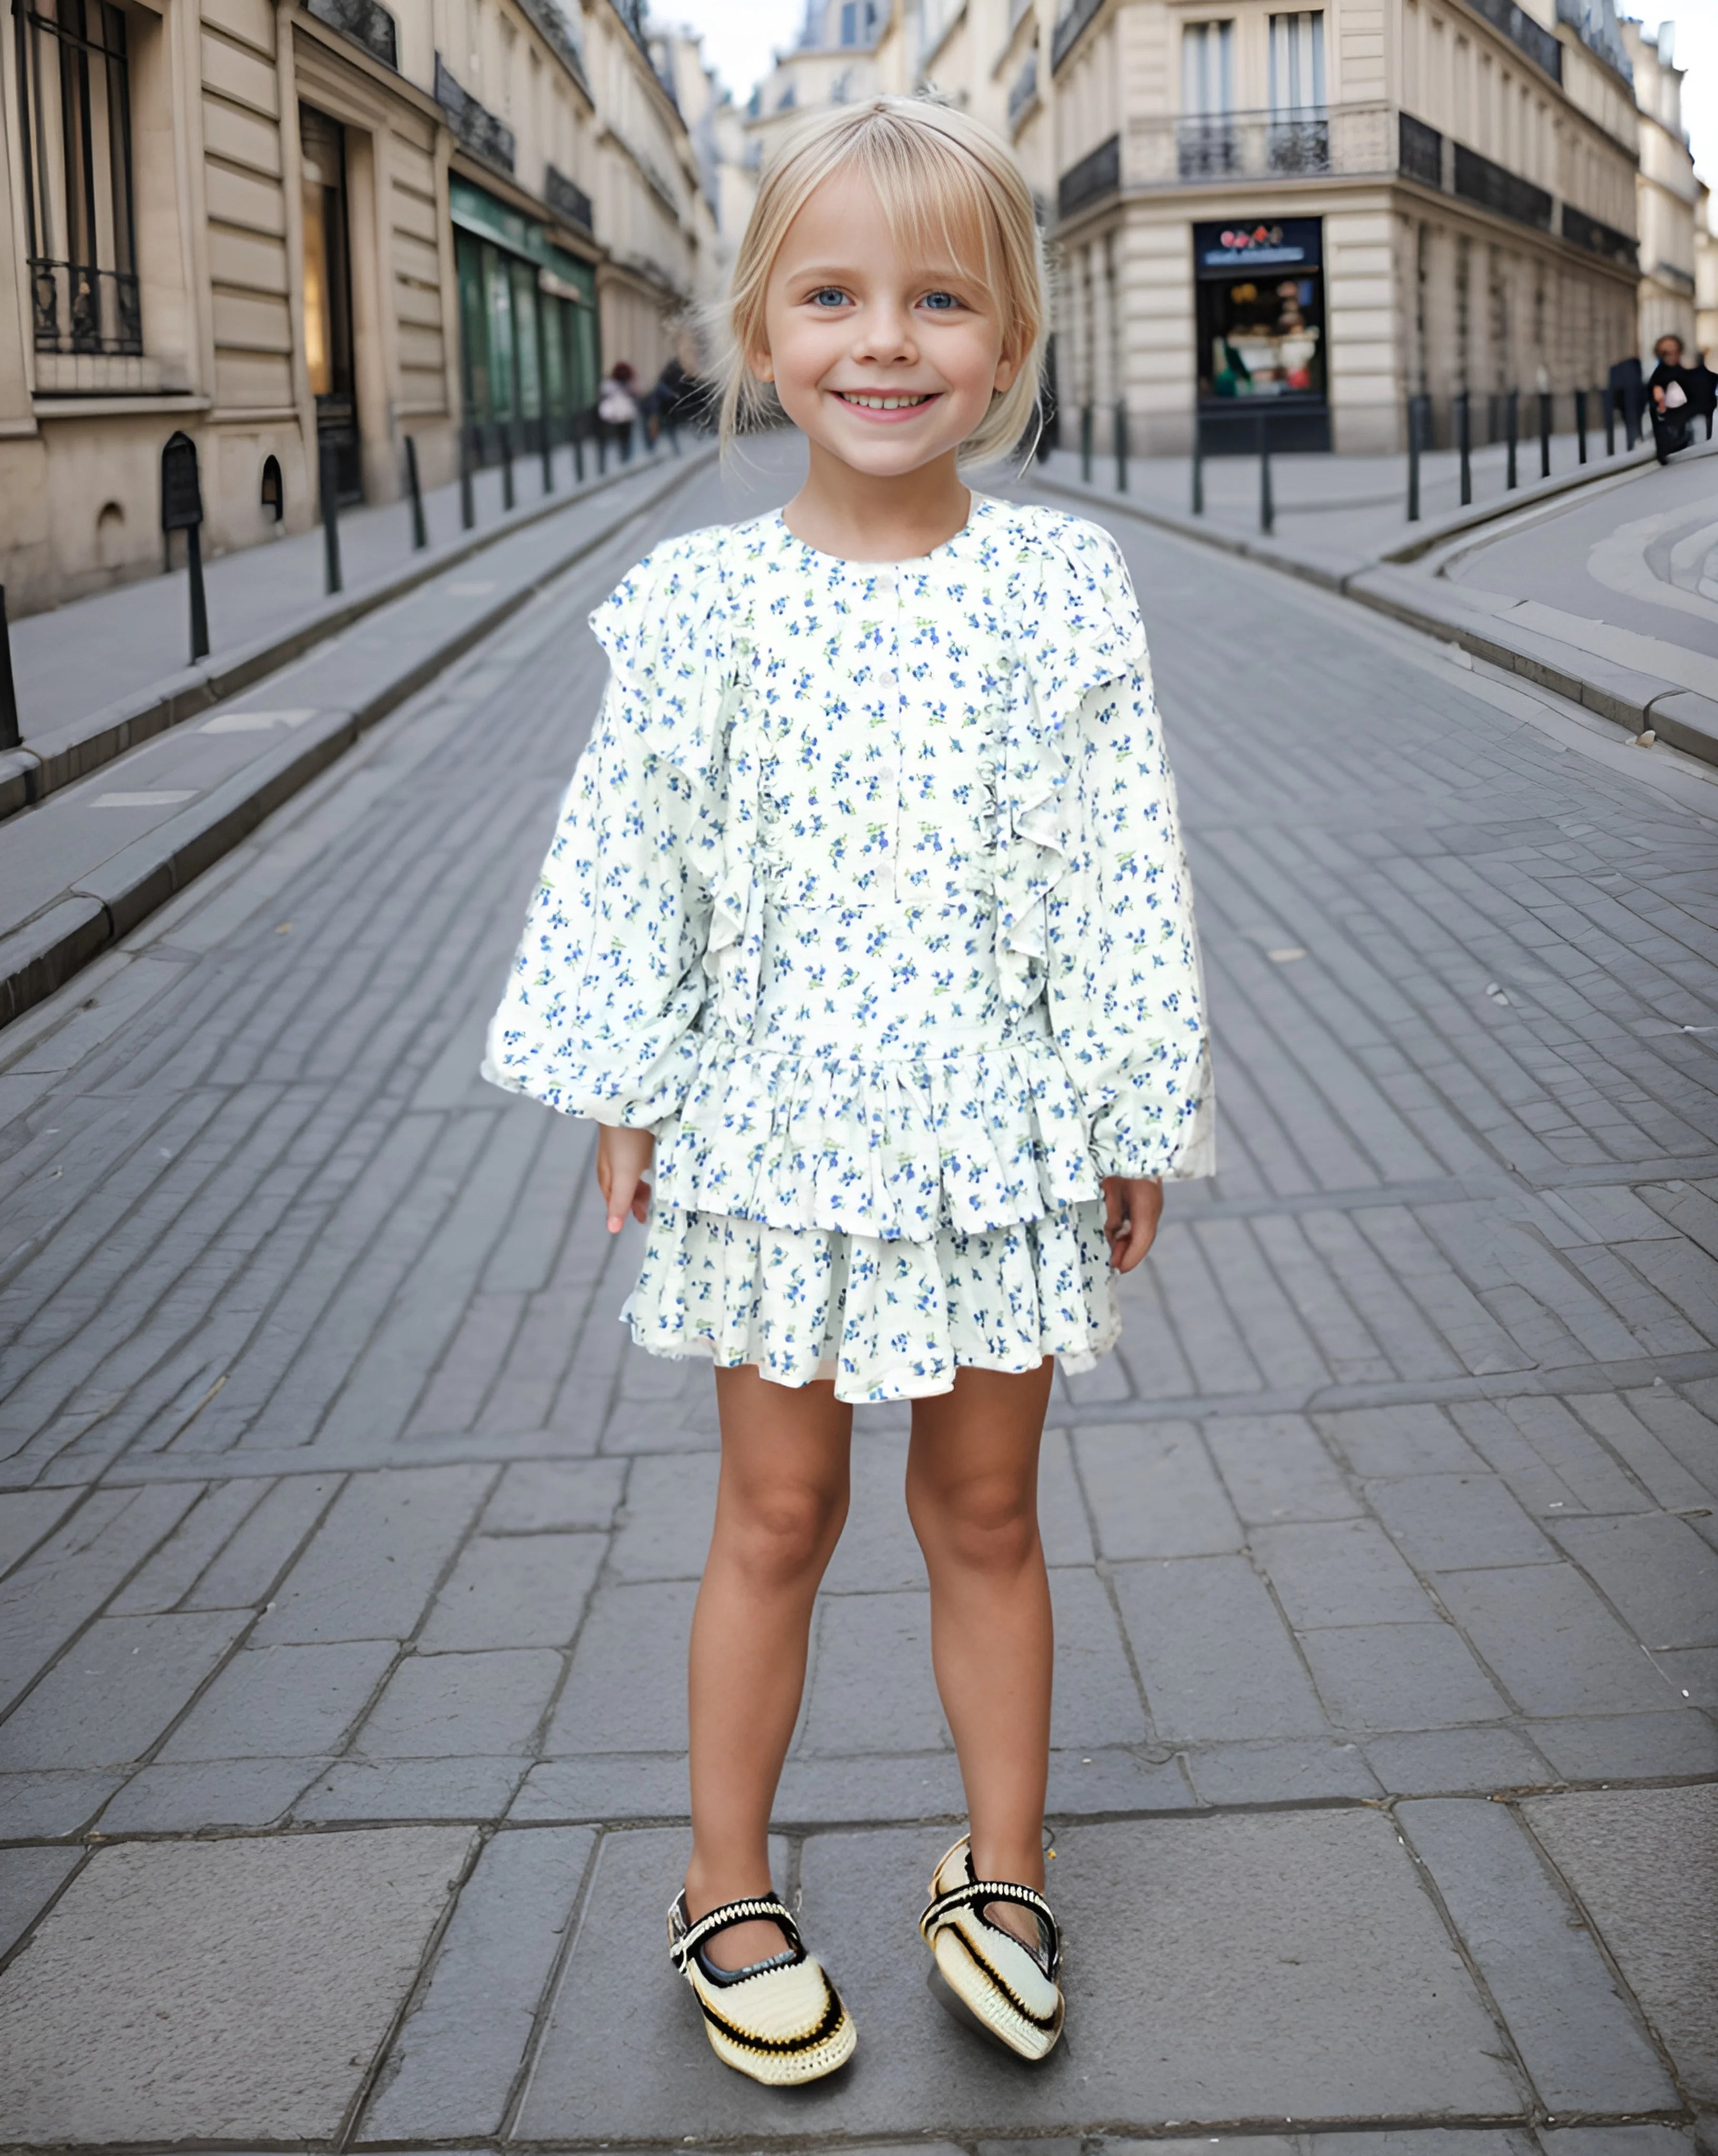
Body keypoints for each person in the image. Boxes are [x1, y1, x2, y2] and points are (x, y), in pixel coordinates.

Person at [484, 94, 1212, 2086]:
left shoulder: (1060, 586)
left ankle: (996, 1865)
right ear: (758, 327)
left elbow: (1116, 855)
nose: (882, 342)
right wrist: (625, 1082)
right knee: (775, 1514)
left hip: (993, 1123)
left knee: (982, 1510)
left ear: (1005, 344)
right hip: (768, 1123)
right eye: (831, 295)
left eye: (933, 303)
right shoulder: (702, 603)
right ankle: (722, 1878)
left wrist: (1133, 1101)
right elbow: (634, 846)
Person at [597, 360, 639, 460]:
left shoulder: (625, 385)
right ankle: (625, 454)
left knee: (624, 435)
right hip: (620, 415)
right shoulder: (614, 385)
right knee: (624, 435)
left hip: (623, 415)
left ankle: (625, 455)